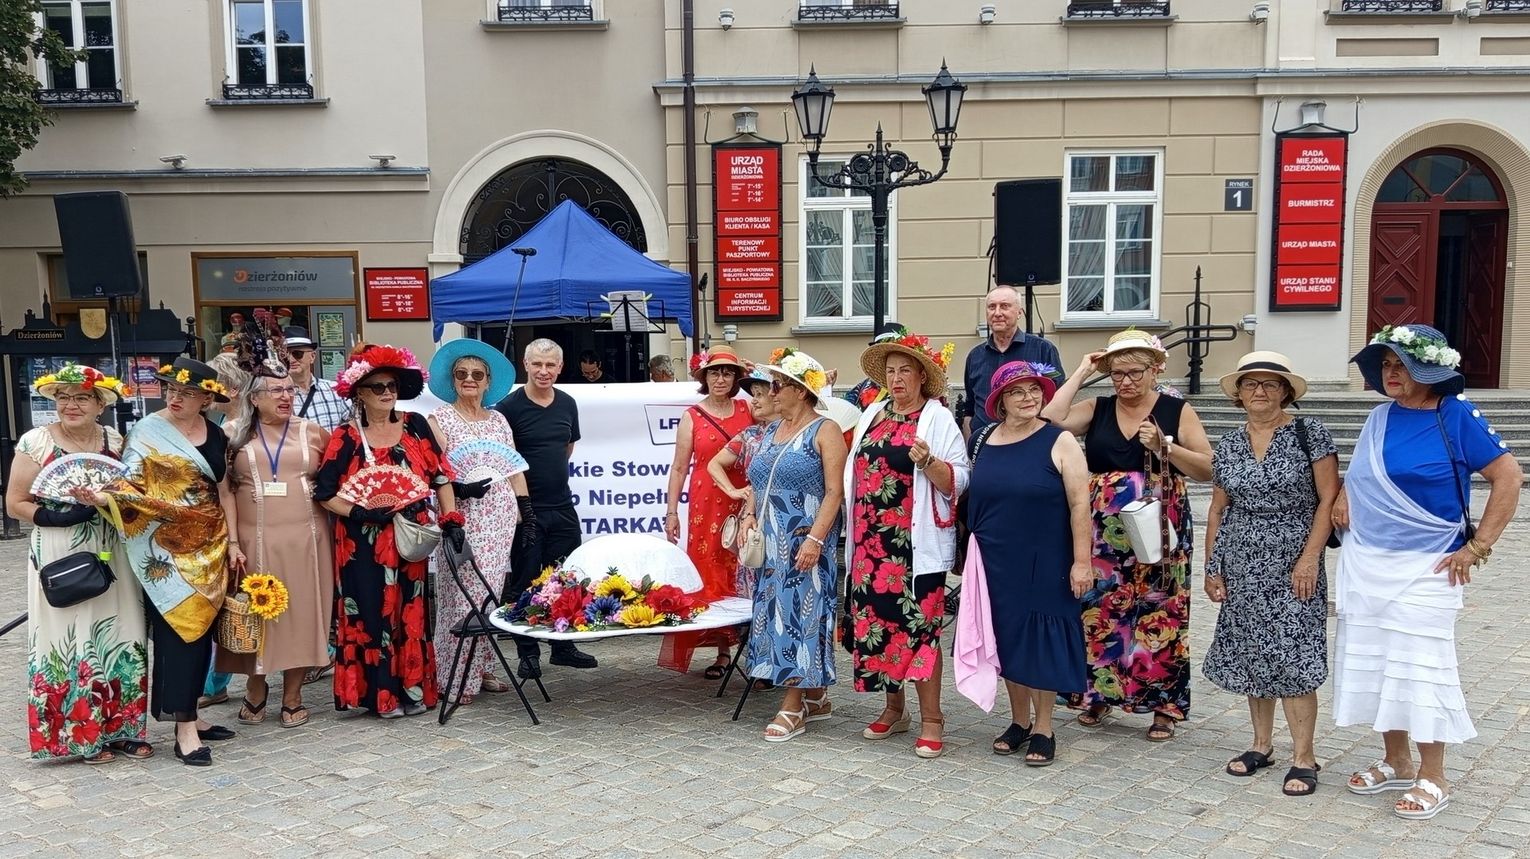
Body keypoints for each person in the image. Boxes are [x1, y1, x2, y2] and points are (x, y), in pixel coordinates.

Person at [1334, 325, 1520, 820]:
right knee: (1380, 663)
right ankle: (1396, 760)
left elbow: (1508, 476)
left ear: (1429, 369)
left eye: (1402, 365)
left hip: (1430, 564)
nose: (1392, 373)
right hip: (1369, 560)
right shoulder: (1379, 416)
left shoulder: (1454, 414)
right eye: (1386, 365)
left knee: (1420, 666)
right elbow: (1364, 471)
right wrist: (1345, 494)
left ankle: (1433, 774)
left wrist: (1478, 546)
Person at [1041, 329, 1213, 741]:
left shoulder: (1176, 410)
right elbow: (1050, 419)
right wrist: (1083, 371)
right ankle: (1100, 694)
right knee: (1101, 609)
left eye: (1135, 372)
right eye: (1117, 373)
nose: (1126, 381)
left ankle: (1163, 705)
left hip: (1160, 527)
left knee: (1161, 608)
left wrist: (1166, 447)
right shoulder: (1098, 407)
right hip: (1103, 530)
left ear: (1155, 371)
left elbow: (1208, 467)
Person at [87, 357, 238, 766]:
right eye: (171, 390)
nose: (176, 398)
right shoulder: (146, 431)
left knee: (203, 633)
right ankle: (183, 729)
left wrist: (235, 542)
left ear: (206, 399)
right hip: (163, 548)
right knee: (178, 634)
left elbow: (224, 491)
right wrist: (104, 497)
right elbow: (129, 486)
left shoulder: (216, 433)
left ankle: (193, 713)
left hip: (211, 543)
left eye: (187, 392)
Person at [1202, 352, 1338, 796]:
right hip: (1241, 561)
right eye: (1250, 384)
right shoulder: (1229, 443)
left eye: (1270, 384)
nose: (1259, 391)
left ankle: (1304, 757)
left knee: (1293, 655)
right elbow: (1218, 508)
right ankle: (1261, 745)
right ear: (1239, 394)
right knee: (1253, 653)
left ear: (1286, 392)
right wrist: (1212, 567)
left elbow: (1328, 498)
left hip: (1294, 560)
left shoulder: (1308, 432)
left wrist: (1310, 558)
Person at [8, 364, 151, 764]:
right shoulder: (36, 442)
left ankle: (122, 729)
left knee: (122, 631)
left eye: (82, 397)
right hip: (60, 547)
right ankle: (78, 736)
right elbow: (15, 503)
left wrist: (112, 502)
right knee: (68, 636)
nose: (71, 405)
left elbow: (131, 489)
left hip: (111, 545)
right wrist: (53, 516)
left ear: (100, 403)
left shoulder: (115, 440)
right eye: (63, 397)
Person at [842, 328, 969, 758]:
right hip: (870, 544)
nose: (897, 379)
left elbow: (960, 479)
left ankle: (933, 719)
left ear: (922, 377)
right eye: (891, 372)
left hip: (914, 547)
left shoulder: (937, 418)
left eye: (905, 371)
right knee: (880, 628)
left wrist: (929, 461)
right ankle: (894, 708)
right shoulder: (873, 414)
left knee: (920, 630)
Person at [314, 344, 459, 718]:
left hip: (409, 536)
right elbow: (325, 494)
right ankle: (378, 697)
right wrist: (361, 511)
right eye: (377, 386)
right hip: (361, 542)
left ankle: (412, 690)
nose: (386, 392)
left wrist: (451, 519)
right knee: (370, 613)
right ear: (360, 393)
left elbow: (441, 476)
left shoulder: (415, 425)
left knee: (410, 613)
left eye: (391, 385)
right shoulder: (345, 437)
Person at [964, 362, 1092, 766]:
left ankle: (1044, 727)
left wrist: (1082, 561)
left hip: (1046, 557)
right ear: (1000, 400)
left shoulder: (1060, 440)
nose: (1029, 397)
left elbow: (1080, 504)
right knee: (1006, 638)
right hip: (994, 559)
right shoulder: (983, 438)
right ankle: (1019, 721)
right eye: (1017, 391)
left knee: (1041, 640)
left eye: (1034, 389)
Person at [737, 348, 847, 742]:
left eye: (778, 385)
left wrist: (816, 539)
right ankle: (815, 696)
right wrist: (750, 513)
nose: (771, 392)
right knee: (775, 614)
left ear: (800, 391)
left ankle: (793, 704)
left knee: (802, 615)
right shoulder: (771, 430)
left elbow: (835, 491)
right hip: (771, 543)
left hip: (804, 540)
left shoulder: (825, 430)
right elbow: (759, 479)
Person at [215, 370, 334, 728]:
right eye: (276, 390)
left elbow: (336, 477)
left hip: (307, 540)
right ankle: (255, 687)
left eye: (289, 390)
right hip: (252, 540)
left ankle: (293, 695)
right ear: (254, 398)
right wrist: (231, 542)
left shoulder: (312, 432)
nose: (285, 396)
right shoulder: (231, 434)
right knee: (255, 613)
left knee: (303, 614)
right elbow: (222, 491)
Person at [426, 339, 535, 705]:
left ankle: (484, 667)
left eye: (477, 374)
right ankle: (455, 675)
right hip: (463, 514)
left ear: (488, 382)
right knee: (461, 596)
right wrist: (458, 494)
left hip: (499, 518)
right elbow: (437, 471)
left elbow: (513, 467)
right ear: (452, 380)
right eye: (461, 374)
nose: (469, 379)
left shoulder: (499, 419)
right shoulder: (439, 419)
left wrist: (527, 513)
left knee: (490, 595)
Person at [496, 339, 598, 678]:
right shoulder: (508, 408)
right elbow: (506, 462)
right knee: (526, 581)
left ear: (560, 367)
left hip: (563, 506)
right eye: (537, 364)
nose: (544, 371)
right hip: (527, 510)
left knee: (565, 577)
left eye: (550, 365)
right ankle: (528, 653)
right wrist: (523, 508)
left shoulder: (567, 403)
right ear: (525, 364)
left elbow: (566, 448)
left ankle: (562, 647)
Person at [661, 346, 752, 676]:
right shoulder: (692, 416)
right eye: (715, 372)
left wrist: (754, 369)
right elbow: (678, 468)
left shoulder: (749, 409)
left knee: (746, 568)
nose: (721, 378)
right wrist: (671, 512)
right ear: (705, 377)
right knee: (711, 571)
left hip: (745, 499)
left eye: (728, 372)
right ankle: (722, 651)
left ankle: (753, 649)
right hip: (706, 503)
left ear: (737, 378)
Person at [710, 369, 778, 603]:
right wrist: (733, 491)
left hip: (782, 513)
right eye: (753, 395)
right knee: (752, 572)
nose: (754, 401)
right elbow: (714, 464)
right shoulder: (751, 435)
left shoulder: (798, 433)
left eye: (760, 395)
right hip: (752, 515)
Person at [961, 286, 1065, 439]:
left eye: (1004, 306)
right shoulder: (975, 356)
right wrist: (969, 440)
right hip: (985, 443)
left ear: (1019, 313)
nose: (997, 313)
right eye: (992, 307)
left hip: (1029, 440)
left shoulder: (1043, 349)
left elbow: (1057, 399)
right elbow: (970, 406)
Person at [284, 326, 353, 430]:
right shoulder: (279, 396)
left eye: (297, 354)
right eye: (285, 355)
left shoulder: (334, 390)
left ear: (312, 356)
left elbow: (354, 426)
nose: (291, 359)